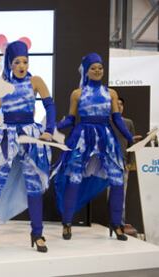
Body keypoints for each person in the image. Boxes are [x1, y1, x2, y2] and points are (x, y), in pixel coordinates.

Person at [0, 41, 55, 252]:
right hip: (7, 137)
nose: (22, 65)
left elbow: (50, 105)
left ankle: (37, 233)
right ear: (10, 64)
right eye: (17, 62)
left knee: (34, 187)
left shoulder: (36, 81)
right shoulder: (3, 84)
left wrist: (49, 130)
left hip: (29, 136)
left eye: (25, 61)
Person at [53, 53, 133, 241]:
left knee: (117, 180)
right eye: (93, 68)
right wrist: (52, 127)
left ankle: (116, 224)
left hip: (106, 138)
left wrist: (130, 137)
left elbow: (117, 119)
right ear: (86, 71)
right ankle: (67, 223)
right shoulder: (77, 93)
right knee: (74, 179)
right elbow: (71, 119)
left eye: (100, 67)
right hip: (83, 138)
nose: (97, 70)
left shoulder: (111, 93)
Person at [111, 97, 141, 236]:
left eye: (121, 104)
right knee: (106, 194)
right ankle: (108, 222)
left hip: (123, 163)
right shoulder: (106, 122)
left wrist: (130, 163)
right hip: (107, 162)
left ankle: (119, 223)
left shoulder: (128, 123)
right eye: (117, 104)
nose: (119, 106)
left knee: (120, 195)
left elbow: (132, 145)